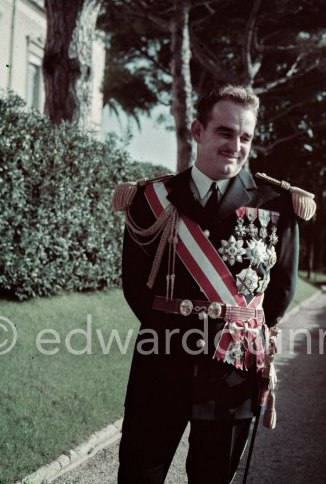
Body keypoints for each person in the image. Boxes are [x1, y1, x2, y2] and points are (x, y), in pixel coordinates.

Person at [113, 85, 315, 484]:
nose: (236, 146)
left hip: (232, 372)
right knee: (139, 475)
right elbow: (136, 287)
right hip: (161, 363)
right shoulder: (150, 198)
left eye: (245, 137)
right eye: (225, 132)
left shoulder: (277, 205)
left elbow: (278, 297)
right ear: (197, 131)